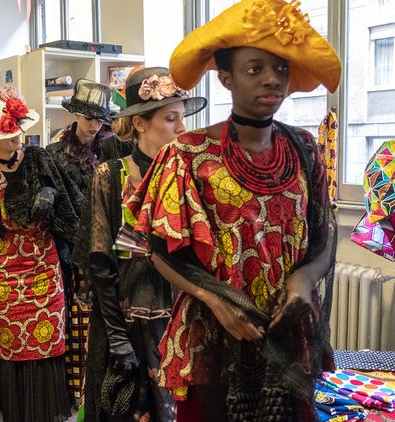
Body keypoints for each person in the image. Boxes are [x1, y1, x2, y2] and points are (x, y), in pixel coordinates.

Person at [124, 1, 341, 420]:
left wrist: (305, 278)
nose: (272, 79)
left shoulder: (304, 148)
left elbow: (323, 235)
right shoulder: (188, 154)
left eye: (280, 68)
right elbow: (157, 247)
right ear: (226, 78)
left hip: (287, 333)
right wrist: (217, 301)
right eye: (254, 69)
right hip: (213, 336)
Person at [73, 67, 206, 422]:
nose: (182, 128)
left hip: (179, 316)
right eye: (171, 119)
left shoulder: (188, 175)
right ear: (140, 123)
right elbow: (100, 262)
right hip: (125, 317)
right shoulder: (111, 175)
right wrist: (116, 335)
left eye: (182, 118)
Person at [0, 96, 81, 422]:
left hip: (46, 265)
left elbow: (72, 204)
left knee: (49, 339)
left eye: (16, 128)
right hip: (8, 272)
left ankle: (48, 411)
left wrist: (52, 194)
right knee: (14, 343)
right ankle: (21, 412)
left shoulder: (40, 159)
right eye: (7, 131)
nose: (16, 135)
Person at [45, 78, 114, 404]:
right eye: (88, 118)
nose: (93, 125)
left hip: (110, 245)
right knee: (76, 318)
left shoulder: (113, 150)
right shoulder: (55, 154)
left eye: (99, 119)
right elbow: (57, 204)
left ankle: (105, 388)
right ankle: (78, 388)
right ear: (75, 115)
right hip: (70, 248)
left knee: (109, 315)